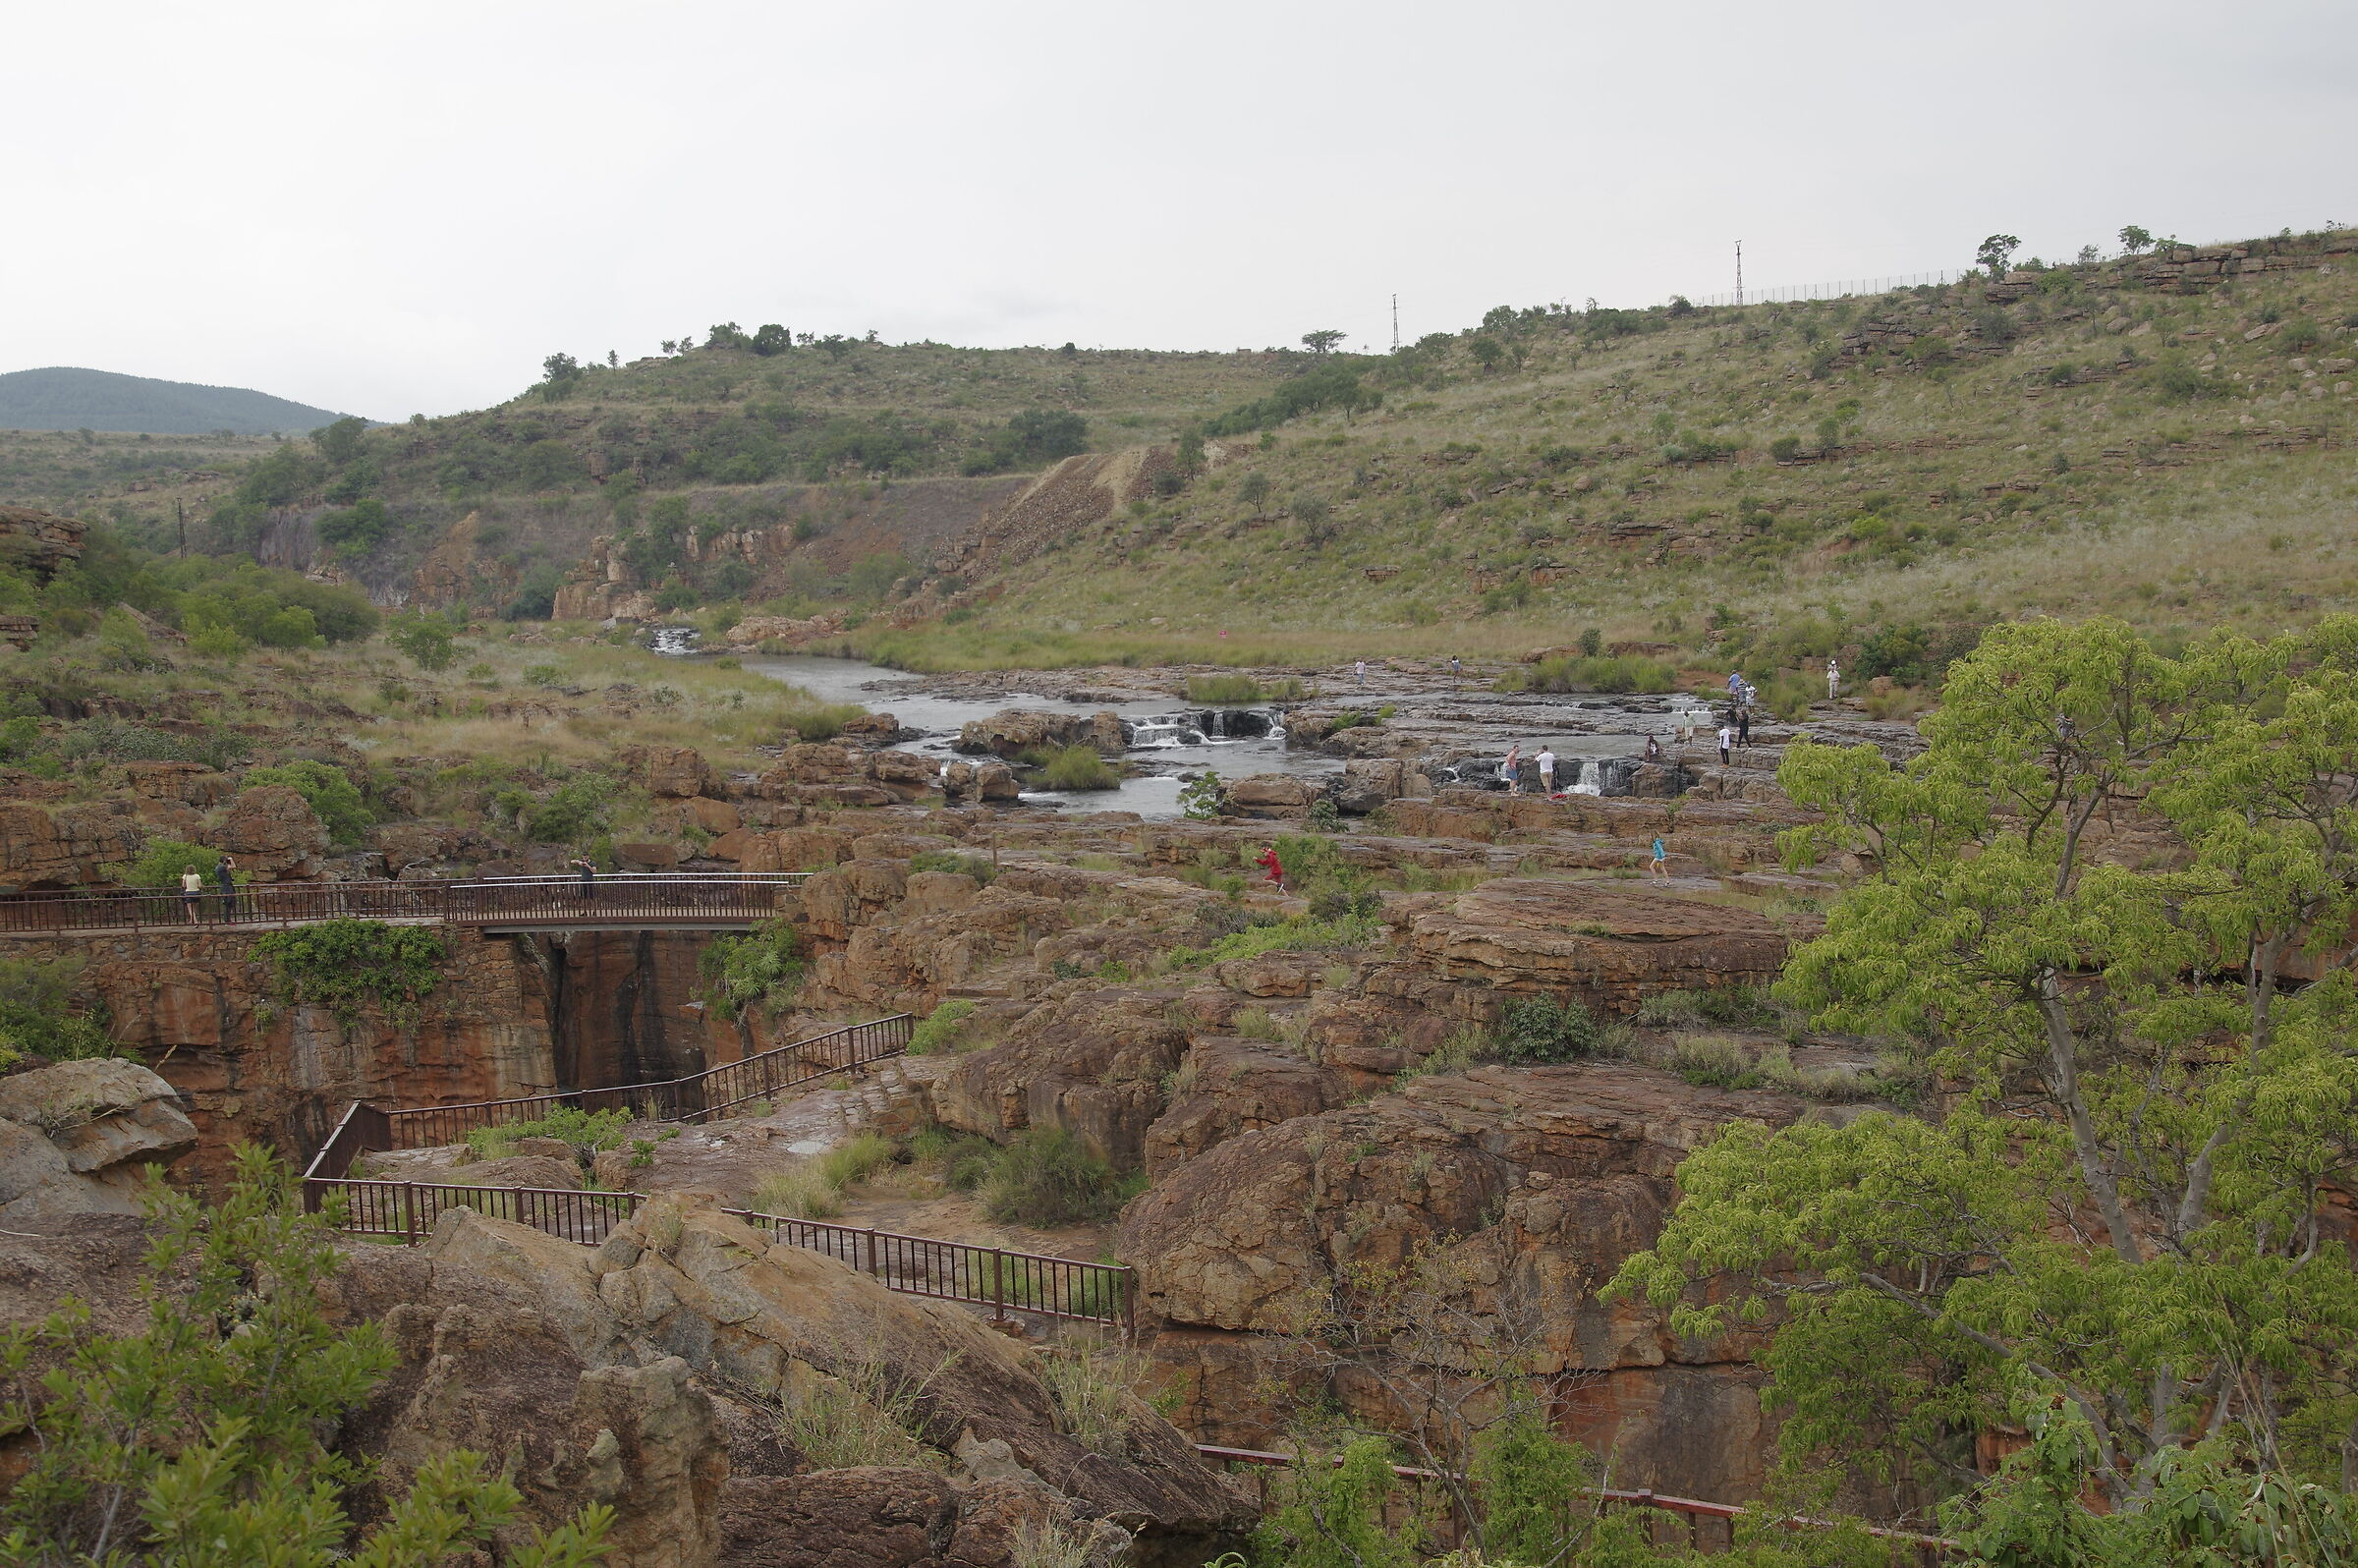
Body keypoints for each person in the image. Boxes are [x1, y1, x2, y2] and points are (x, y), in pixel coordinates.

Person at [213, 855, 238, 923]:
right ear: (224, 860)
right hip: (227, 887)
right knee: (228, 902)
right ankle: (227, 920)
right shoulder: (222, 867)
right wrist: (231, 859)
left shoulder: (219, 867)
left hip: (226, 886)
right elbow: (233, 866)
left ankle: (228, 919)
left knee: (229, 902)